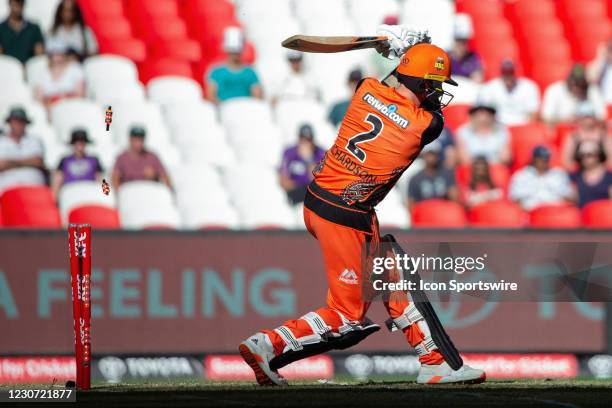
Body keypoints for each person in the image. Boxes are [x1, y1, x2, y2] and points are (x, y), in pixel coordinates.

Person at [239, 31, 485, 386]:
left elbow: (393, 84)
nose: (436, 93)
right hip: (345, 212)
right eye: (432, 85)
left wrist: (399, 56)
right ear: (419, 82)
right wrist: (406, 57)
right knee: (347, 316)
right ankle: (267, 345)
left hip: (320, 199)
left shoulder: (366, 90)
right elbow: (427, 111)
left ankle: (435, 361)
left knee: (390, 268)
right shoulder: (424, 126)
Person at [206, 27, 262, 103]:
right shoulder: (216, 72)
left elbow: (257, 97)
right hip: (224, 110)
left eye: (236, 52)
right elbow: (211, 96)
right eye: (232, 52)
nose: (234, 55)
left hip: (246, 109)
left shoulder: (250, 72)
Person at [509, 145, 575, 211]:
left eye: (546, 158)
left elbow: (570, 198)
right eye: (540, 158)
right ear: (534, 159)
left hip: (555, 213)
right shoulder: (521, 176)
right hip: (530, 213)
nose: (544, 160)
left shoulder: (558, 174)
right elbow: (516, 201)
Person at [478, 60, 540, 125]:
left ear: (515, 72)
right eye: (505, 73)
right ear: (501, 73)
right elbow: (484, 112)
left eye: (511, 72)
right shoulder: (490, 87)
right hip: (498, 126)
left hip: (522, 125)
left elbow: (534, 113)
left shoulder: (529, 87)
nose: (508, 76)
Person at [541, 64, 606, 125]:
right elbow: (546, 119)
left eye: (581, 85)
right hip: (562, 132)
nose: (578, 88)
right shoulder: (554, 90)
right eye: (575, 84)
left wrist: (586, 121)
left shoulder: (593, 90)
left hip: (588, 133)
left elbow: (602, 117)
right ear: (568, 82)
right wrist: (566, 121)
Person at [0, 106, 45, 194]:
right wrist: (26, 161)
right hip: (7, 189)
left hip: (33, 187)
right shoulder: (2, 141)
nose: (18, 124)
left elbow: (38, 161)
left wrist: (10, 163)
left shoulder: (34, 140)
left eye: (21, 121)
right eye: (15, 121)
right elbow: (1, 165)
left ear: (25, 123)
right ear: (10, 123)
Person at [112, 126, 172, 190]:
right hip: (130, 193)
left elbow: (165, 177)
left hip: (149, 192)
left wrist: (155, 176)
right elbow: (115, 178)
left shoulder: (152, 157)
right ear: (130, 139)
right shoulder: (121, 158)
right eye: (136, 139)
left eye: (141, 140)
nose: (138, 143)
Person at [279, 124, 325, 205]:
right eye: (302, 139)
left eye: (308, 139)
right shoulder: (290, 152)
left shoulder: (320, 153)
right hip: (295, 196)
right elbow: (284, 182)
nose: (305, 142)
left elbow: (319, 182)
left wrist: (308, 159)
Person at [33, 38, 85, 109]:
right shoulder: (42, 73)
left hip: (72, 108)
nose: (57, 58)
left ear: (65, 55)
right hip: (50, 110)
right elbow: (39, 100)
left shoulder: (75, 69)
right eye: (54, 54)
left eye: (60, 54)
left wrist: (62, 100)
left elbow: (80, 95)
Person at [51, 128, 103, 199]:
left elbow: (99, 179)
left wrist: (101, 196)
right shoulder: (64, 160)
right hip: (70, 194)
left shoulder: (94, 159)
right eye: (77, 141)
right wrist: (55, 198)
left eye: (82, 141)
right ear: (73, 143)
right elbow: (57, 180)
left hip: (89, 194)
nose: (80, 144)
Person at [407, 140, 459, 210]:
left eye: (434, 154)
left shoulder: (447, 174)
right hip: (425, 214)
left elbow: (454, 199)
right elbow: (411, 205)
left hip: (444, 212)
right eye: (429, 154)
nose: (432, 157)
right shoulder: (415, 179)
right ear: (424, 155)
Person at [561, 103, 612, 169]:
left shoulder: (603, 135)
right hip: (579, 173)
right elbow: (567, 160)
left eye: (590, 116)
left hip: (601, 173)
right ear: (579, 118)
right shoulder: (573, 137)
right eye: (585, 116)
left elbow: (611, 157)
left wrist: (600, 172)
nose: (588, 119)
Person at [570, 140, 612, 208]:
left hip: (603, 215)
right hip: (581, 215)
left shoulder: (609, 177)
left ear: (598, 155)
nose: (585, 158)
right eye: (582, 155)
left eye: (589, 155)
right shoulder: (575, 176)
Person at [448, 13, 483, 83]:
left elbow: (478, 81)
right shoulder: (445, 57)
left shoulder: (473, 58)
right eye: (459, 40)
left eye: (465, 41)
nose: (462, 45)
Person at [587, 39, 612, 104]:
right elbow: (591, 78)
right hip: (605, 105)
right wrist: (600, 58)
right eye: (610, 49)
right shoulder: (602, 65)